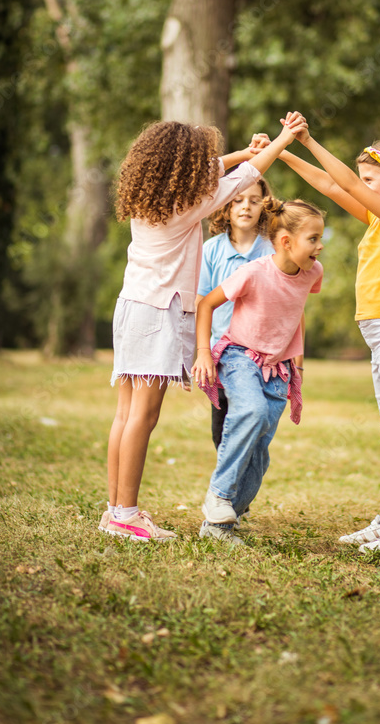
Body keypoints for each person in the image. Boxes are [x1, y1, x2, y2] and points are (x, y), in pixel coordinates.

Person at [102, 115, 301, 542]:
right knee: (144, 415)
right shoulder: (189, 204)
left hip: (132, 306)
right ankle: (127, 514)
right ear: (184, 168)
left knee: (124, 414)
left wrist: (243, 152)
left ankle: (115, 510)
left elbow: (219, 168)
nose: (207, 165)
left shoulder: (151, 198)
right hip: (159, 313)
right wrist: (283, 140)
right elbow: (246, 176)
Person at [278, 119, 380, 554]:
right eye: (362, 179)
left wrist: (308, 139)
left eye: (369, 180)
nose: (360, 186)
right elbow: (330, 184)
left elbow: (342, 178)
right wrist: (283, 151)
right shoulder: (377, 218)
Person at [192, 197, 325, 545]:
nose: (320, 246)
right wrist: (204, 353)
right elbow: (206, 302)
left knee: (259, 451)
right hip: (238, 355)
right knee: (249, 411)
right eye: (313, 238)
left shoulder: (313, 272)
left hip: (277, 368)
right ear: (285, 242)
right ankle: (218, 496)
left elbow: (296, 309)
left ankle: (220, 524)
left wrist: (299, 360)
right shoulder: (253, 272)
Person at [196, 177, 275, 450]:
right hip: (219, 355)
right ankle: (226, 490)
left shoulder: (273, 251)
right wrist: (201, 351)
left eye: (255, 201)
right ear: (226, 207)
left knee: (255, 425)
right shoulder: (210, 250)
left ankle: (240, 488)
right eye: (238, 200)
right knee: (222, 431)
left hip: (262, 357)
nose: (246, 207)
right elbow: (200, 302)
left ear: (264, 207)